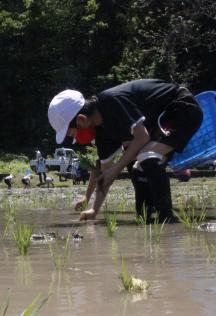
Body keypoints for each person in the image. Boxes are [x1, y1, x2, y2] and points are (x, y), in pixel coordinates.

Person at [49, 79, 203, 221]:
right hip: (161, 122)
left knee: (147, 157)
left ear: (81, 120)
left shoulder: (111, 102)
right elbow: (103, 175)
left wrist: (116, 169)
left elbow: (142, 137)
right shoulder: (102, 131)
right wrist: (94, 210)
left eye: (72, 133)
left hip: (182, 109)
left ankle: (167, 218)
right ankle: (146, 216)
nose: (75, 138)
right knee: (136, 165)